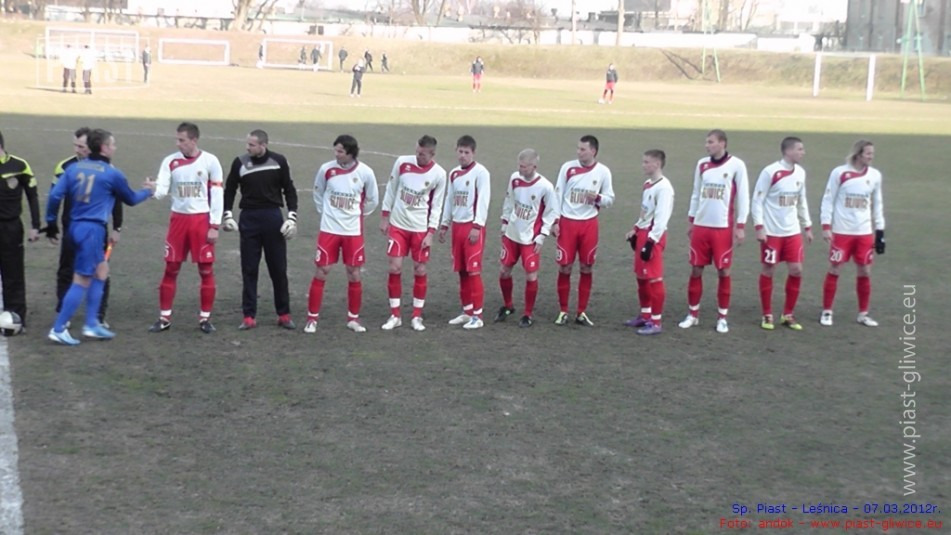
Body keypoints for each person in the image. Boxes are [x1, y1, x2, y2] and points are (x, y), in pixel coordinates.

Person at [44, 129, 155, 345]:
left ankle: (92, 323)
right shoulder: (112, 173)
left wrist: (51, 221)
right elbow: (131, 199)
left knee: (101, 270)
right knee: (82, 279)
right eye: (112, 144)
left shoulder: (74, 168)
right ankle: (59, 328)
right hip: (92, 231)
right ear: (103, 148)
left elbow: (55, 195)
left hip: (74, 227)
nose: (114, 148)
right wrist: (149, 191)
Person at [149, 122, 224, 334]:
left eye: (182, 140)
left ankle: (205, 319)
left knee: (205, 270)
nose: (178, 144)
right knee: (171, 268)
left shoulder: (211, 161)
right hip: (178, 221)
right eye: (177, 139)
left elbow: (217, 194)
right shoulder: (170, 161)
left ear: (193, 140)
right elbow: (162, 189)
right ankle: (164, 318)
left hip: (201, 221)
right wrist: (153, 190)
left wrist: (214, 225)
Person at [222, 130, 299, 331]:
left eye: (252, 145)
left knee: (278, 269)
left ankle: (284, 314)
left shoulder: (279, 161)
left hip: (273, 218)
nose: (247, 148)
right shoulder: (239, 163)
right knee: (249, 269)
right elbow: (230, 189)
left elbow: (289, 189)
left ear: (263, 145)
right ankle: (249, 316)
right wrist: (227, 214)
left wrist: (292, 217)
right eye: (247, 144)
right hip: (249, 219)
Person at [305, 134, 379, 333]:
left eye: (340, 151)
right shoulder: (326, 169)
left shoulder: (365, 173)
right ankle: (312, 319)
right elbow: (318, 193)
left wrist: (357, 216)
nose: (336, 154)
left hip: (352, 232)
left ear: (351, 153)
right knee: (322, 270)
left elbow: (372, 199)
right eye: (335, 150)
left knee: (354, 273)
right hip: (329, 230)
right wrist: (326, 214)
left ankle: (353, 319)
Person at [679, 129, 750, 334]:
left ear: (722, 143)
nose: (707, 145)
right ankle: (693, 315)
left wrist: (741, 225)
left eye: (711, 142)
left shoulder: (737, 165)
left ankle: (722, 318)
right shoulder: (702, 164)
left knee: (723, 271)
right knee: (696, 269)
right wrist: (691, 220)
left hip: (723, 228)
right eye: (706, 142)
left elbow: (743, 196)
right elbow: (696, 193)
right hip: (701, 227)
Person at [51, 127, 123, 328]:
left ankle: (98, 315)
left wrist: (117, 228)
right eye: (75, 145)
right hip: (71, 229)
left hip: (96, 230)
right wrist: (52, 226)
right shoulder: (65, 167)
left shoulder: (107, 169)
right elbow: (54, 197)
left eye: (81, 146)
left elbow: (117, 201)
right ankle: (63, 313)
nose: (77, 150)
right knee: (67, 270)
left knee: (101, 270)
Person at [379, 135, 448, 331]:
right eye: (417, 152)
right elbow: (391, 189)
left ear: (432, 154)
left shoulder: (439, 174)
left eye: (422, 154)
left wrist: (431, 232)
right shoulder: (402, 163)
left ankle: (417, 316)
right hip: (398, 225)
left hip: (420, 229)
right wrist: (385, 216)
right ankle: (395, 315)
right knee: (394, 268)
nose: (417, 156)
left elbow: (437, 205)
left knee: (420, 269)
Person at [819, 139, 885, 327]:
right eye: (868, 153)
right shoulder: (840, 173)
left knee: (865, 270)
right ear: (858, 154)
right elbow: (828, 199)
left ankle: (863, 314)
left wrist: (880, 231)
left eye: (872, 153)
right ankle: (827, 311)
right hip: (842, 231)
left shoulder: (875, 175)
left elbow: (877, 204)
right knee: (835, 268)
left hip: (864, 232)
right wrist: (826, 226)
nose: (871, 157)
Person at [551, 135, 614, 326]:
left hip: (589, 225)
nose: (578, 152)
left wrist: (598, 198)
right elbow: (557, 194)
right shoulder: (567, 168)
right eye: (578, 149)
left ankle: (581, 312)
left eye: (583, 149)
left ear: (593, 151)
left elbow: (610, 199)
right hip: (568, 223)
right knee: (565, 267)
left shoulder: (603, 172)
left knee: (586, 266)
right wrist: (555, 221)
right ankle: (563, 311)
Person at [751, 136, 812, 331]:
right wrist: (759, 226)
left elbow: (801, 201)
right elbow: (757, 200)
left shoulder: (800, 173)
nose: (803, 152)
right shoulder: (770, 172)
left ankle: (788, 314)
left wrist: (807, 226)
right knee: (769, 270)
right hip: (772, 232)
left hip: (792, 231)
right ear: (788, 151)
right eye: (799, 149)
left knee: (796, 270)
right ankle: (767, 314)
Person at [496, 148, 557, 328]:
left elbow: (551, 212)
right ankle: (508, 306)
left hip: (530, 239)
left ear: (534, 166)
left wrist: (542, 235)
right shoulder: (514, 179)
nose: (520, 169)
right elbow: (509, 201)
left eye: (524, 166)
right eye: (519, 165)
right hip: (511, 234)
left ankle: (527, 314)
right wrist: (505, 222)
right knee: (504, 271)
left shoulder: (545, 187)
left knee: (531, 275)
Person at [439, 135, 491, 330]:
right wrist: (445, 224)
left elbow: (484, 199)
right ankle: (467, 311)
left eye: (466, 152)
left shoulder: (481, 173)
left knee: (473, 271)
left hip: (472, 227)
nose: (462, 155)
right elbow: (449, 199)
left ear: (473, 153)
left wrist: (477, 226)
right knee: (461, 270)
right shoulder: (453, 174)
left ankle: (478, 316)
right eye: (460, 151)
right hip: (457, 227)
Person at [623, 149, 674, 335]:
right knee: (641, 277)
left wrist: (651, 242)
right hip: (643, 234)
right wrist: (635, 229)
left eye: (646, 162)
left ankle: (656, 322)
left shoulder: (664, 188)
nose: (643, 165)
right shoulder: (647, 185)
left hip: (654, 237)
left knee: (654, 278)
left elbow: (661, 218)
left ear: (657, 164)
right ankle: (645, 315)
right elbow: (645, 214)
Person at [0, 131, 41, 328]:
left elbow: (32, 196)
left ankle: (16, 319)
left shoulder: (19, 165)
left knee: (13, 274)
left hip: (11, 228)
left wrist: (35, 226)